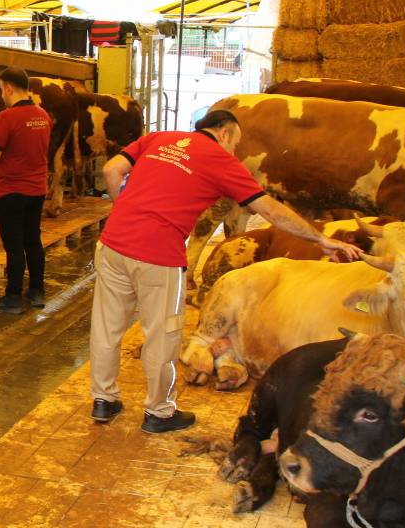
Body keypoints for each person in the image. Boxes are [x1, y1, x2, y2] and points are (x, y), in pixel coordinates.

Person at [90, 110, 363, 433]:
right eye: (236, 141)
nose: (235, 149)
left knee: (107, 327)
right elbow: (269, 209)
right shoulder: (220, 159)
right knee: (162, 334)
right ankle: (159, 412)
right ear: (224, 133)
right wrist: (319, 238)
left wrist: (123, 208)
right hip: (158, 254)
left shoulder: (159, 138)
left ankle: (103, 401)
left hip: (112, 244)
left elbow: (112, 169)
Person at [0, 67, 52, 315]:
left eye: (1, 89)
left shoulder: (7, 117)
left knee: (14, 246)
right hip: (36, 189)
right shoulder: (42, 115)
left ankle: (13, 297)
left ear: (8, 88)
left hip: (10, 192)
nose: (2, 95)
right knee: (33, 241)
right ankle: (37, 291)